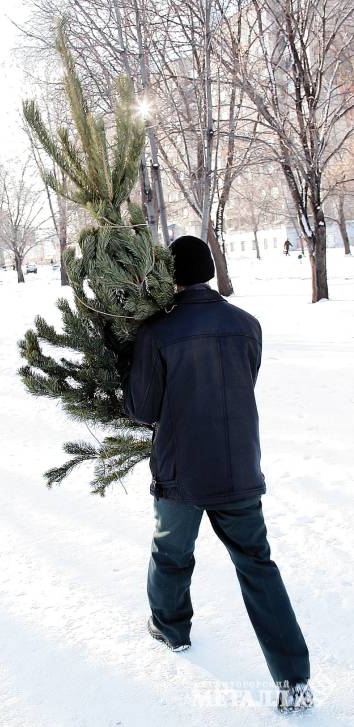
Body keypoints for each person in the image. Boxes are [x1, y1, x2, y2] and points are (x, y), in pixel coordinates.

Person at [118, 235, 312, 712]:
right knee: (257, 565)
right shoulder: (248, 325)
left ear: (173, 275)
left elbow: (143, 410)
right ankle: (293, 679)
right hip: (240, 467)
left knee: (171, 554)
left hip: (181, 472)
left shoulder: (156, 332)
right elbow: (243, 382)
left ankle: (171, 629)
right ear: (208, 271)